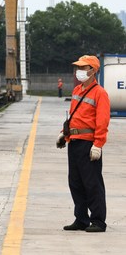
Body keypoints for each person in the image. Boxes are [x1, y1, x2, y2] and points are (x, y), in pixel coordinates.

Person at [56, 54, 110, 232]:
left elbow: (102, 121)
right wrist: (64, 134)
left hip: (89, 144)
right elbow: (73, 117)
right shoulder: (77, 90)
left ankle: (98, 221)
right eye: (78, 67)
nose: (78, 71)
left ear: (93, 71)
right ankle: (81, 219)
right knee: (76, 182)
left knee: (92, 183)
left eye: (83, 68)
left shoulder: (100, 93)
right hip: (75, 142)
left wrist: (98, 144)